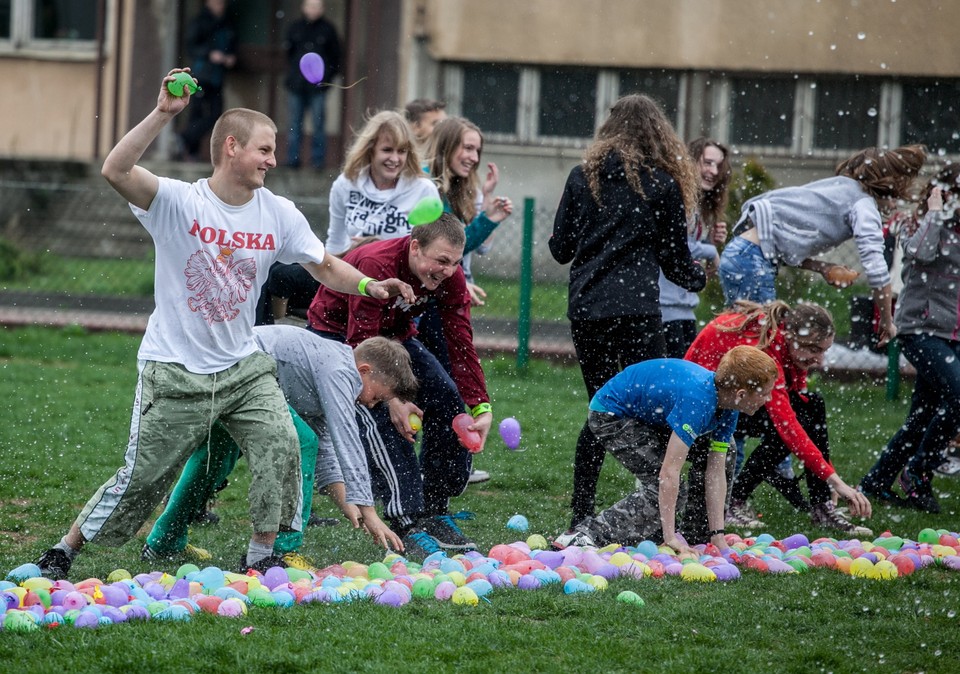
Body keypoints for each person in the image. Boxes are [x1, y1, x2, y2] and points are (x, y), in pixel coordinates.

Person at [34, 69, 413, 580]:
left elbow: (324, 265)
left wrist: (371, 286)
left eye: (274, 150)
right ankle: (66, 547)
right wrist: (164, 113)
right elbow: (116, 170)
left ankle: (261, 553)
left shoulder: (277, 212)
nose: (273, 161)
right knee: (143, 476)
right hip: (175, 368)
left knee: (281, 444)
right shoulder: (178, 202)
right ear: (231, 147)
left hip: (243, 365)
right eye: (264, 150)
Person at [549, 93, 706, 529]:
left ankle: (581, 515)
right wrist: (700, 278)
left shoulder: (583, 178)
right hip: (637, 310)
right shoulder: (662, 185)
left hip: (588, 308)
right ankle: (665, 511)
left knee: (600, 407)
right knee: (653, 408)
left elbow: (559, 250)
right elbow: (676, 261)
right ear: (659, 135)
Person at [143, 329, 418, 568]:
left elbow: (329, 447)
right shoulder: (340, 372)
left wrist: (350, 506)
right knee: (300, 441)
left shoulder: (331, 372)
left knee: (214, 457)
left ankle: (165, 539)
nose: (371, 405)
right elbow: (348, 439)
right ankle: (281, 549)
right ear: (364, 371)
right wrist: (368, 509)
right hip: (233, 368)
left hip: (219, 369)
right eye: (375, 397)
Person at [306, 214, 493, 555]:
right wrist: (393, 398)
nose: (447, 271)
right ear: (415, 247)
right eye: (440, 261)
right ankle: (404, 521)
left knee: (446, 398)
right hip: (337, 338)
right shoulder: (376, 262)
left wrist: (480, 404)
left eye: (454, 263)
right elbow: (362, 343)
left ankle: (435, 508)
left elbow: (460, 339)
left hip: (394, 336)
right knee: (384, 414)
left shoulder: (449, 276)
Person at [553, 346, 778, 553]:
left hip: (648, 416)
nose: (768, 399)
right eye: (765, 392)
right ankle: (585, 534)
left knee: (726, 449)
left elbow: (716, 471)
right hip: (611, 414)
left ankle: (697, 533)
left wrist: (717, 536)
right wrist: (669, 537)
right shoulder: (698, 402)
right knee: (663, 487)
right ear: (740, 394)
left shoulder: (728, 406)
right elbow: (668, 474)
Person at [684, 300, 873, 537]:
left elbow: (801, 409)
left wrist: (827, 476)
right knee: (788, 428)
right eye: (814, 350)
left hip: (731, 398)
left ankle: (821, 506)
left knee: (812, 405)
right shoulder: (765, 348)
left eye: (824, 350)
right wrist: (835, 481)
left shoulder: (787, 342)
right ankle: (734, 500)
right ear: (791, 335)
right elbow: (788, 426)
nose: (820, 360)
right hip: (701, 406)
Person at [718, 144, 927, 346]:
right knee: (758, 344)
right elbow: (876, 269)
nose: (893, 206)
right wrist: (886, 321)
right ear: (886, 188)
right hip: (751, 261)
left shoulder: (838, 188)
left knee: (744, 337)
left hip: (741, 254)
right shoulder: (863, 204)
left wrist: (823, 268)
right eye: (894, 198)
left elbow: (780, 242)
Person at [262, 111, 438, 324]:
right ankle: (269, 337)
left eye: (401, 151)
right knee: (275, 271)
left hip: (397, 282)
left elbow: (428, 254)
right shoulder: (346, 184)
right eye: (387, 150)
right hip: (351, 271)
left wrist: (374, 247)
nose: (395, 159)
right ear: (371, 150)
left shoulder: (422, 189)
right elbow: (335, 244)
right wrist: (352, 253)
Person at [860, 165, 960, 514]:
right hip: (921, 330)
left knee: (923, 416)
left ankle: (875, 480)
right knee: (958, 398)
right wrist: (934, 214)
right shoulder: (916, 222)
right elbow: (919, 253)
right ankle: (918, 472)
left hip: (953, 335)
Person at [659, 137, 731, 358]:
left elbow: (689, 251)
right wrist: (710, 252)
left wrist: (710, 242)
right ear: (690, 162)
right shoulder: (678, 198)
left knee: (684, 372)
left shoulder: (697, 206)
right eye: (707, 162)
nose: (713, 171)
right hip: (665, 305)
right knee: (675, 377)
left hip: (683, 306)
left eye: (719, 166)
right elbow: (676, 247)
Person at [283, 0, 342, 169]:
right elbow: (289, 54)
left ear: (322, 9)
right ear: (304, 8)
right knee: (295, 123)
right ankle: (293, 159)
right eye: (310, 5)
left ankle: (318, 160)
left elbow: (336, 57)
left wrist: (325, 78)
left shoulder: (328, 29)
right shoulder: (295, 27)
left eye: (317, 6)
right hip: (296, 85)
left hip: (319, 87)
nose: (313, 10)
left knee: (318, 123)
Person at [179, 0, 237, 162]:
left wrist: (230, 57)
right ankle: (190, 147)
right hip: (201, 75)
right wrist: (210, 54)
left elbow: (232, 44)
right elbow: (191, 46)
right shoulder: (200, 21)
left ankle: (185, 139)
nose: (220, 5)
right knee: (197, 113)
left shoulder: (228, 22)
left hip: (217, 77)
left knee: (216, 115)